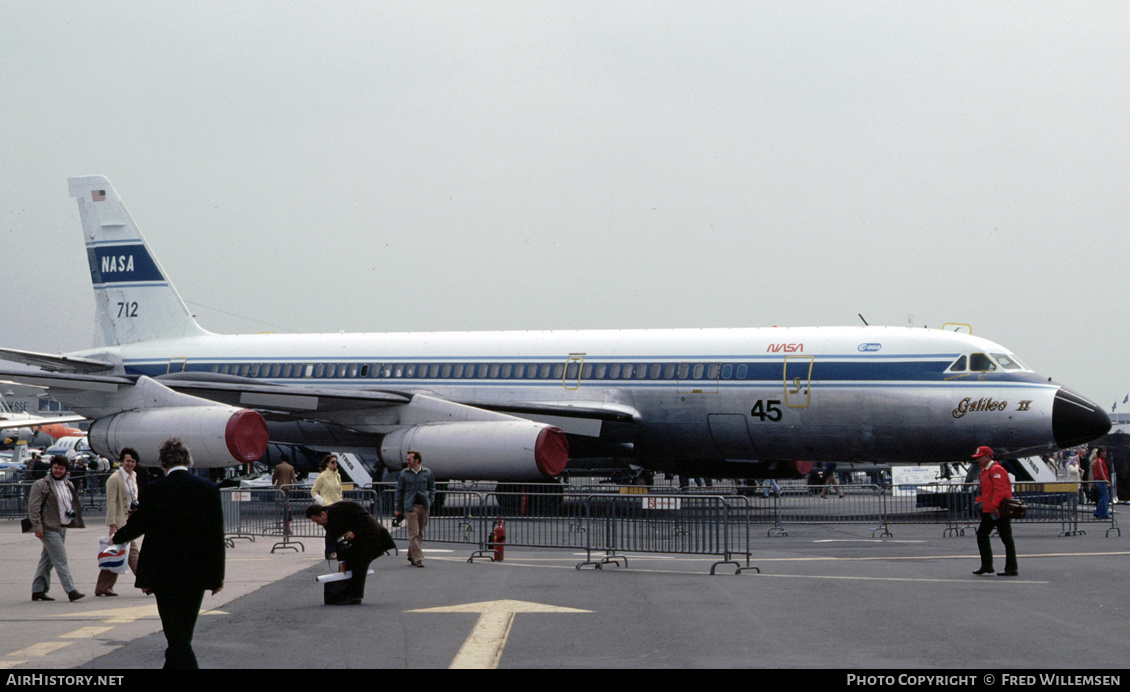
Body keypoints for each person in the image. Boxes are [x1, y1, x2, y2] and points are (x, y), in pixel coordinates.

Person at [112, 437, 225, 669]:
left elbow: (139, 525)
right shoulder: (208, 489)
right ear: (188, 461)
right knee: (183, 632)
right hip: (196, 571)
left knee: (175, 632)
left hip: (163, 572)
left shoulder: (155, 490)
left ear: (162, 462)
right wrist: (217, 576)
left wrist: (117, 537)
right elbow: (216, 536)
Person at [306, 501, 396, 604]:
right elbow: (338, 542)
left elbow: (364, 518)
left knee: (360, 562)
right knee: (349, 564)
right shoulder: (328, 524)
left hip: (372, 535)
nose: (318, 524)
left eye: (317, 520)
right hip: (357, 541)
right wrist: (342, 561)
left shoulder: (343, 507)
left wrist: (353, 531)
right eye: (315, 522)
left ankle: (356, 596)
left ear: (323, 513)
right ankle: (346, 594)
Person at [28, 455, 86, 602]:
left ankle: (38, 590)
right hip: (48, 527)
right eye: (56, 467)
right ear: (51, 468)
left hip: (62, 526)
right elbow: (33, 508)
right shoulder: (41, 484)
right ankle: (71, 590)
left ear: (66, 469)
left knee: (47, 559)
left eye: (61, 468)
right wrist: (37, 526)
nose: (58, 471)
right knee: (61, 559)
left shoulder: (68, 485)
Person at [95, 448, 142, 596]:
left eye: (133, 461)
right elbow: (111, 504)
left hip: (131, 518)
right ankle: (146, 583)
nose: (130, 464)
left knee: (115, 553)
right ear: (121, 461)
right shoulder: (114, 479)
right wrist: (112, 527)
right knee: (133, 553)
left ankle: (103, 587)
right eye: (128, 461)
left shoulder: (133, 476)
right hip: (120, 520)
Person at [971, 446, 1018, 577]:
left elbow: (1000, 490)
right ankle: (991, 565)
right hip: (990, 508)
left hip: (996, 510)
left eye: (980, 457)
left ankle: (1006, 567)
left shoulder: (995, 470)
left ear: (987, 456)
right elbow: (989, 491)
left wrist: (994, 506)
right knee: (996, 536)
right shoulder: (986, 471)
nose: (978, 460)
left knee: (1002, 537)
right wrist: (979, 499)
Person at [394, 450, 435, 568]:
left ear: (416, 461)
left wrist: (430, 501)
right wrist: (398, 508)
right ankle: (418, 559)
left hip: (424, 506)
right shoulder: (404, 474)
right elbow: (399, 491)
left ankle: (411, 554)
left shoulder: (427, 473)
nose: (407, 461)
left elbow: (432, 488)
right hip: (410, 507)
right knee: (414, 533)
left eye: (409, 460)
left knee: (420, 533)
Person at [311, 454, 344, 559]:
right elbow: (313, 491)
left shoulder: (337, 475)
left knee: (338, 529)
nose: (335, 464)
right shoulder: (323, 476)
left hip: (337, 505)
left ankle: (336, 549)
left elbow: (340, 491)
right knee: (330, 530)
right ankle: (329, 551)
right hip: (328, 506)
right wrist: (323, 501)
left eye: (336, 462)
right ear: (327, 463)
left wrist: (341, 502)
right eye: (332, 462)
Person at [1091, 447, 1111, 520]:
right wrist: (1106, 481)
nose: (1105, 453)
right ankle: (1103, 513)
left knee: (1104, 498)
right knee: (1105, 498)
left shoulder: (1100, 460)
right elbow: (1101, 472)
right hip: (1101, 481)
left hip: (1101, 481)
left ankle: (1098, 512)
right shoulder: (1099, 461)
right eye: (1103, 452)